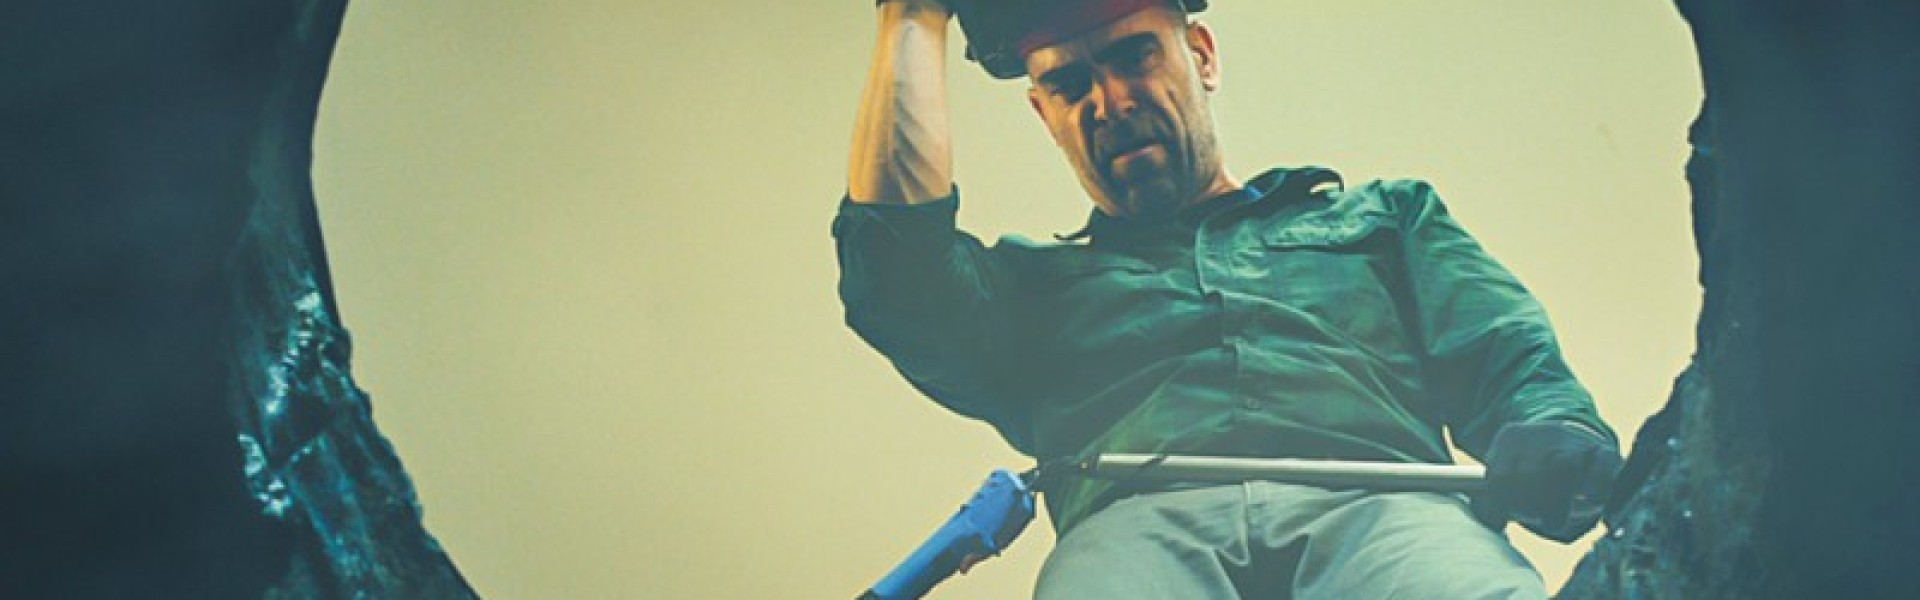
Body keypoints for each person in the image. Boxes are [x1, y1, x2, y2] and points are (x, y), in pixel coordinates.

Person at [834, 1, 1624, 597]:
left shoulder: (1387, 218)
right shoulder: (1026, 293)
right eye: (1069, 85)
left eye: (1134, 56)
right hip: (1135, 533)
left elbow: (1508, 355)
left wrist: (1558, 434)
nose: (1109, 101)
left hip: (1390, 508)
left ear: (1202, 56)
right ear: (1044, 114)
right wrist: (911, 11)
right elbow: (897, 270)